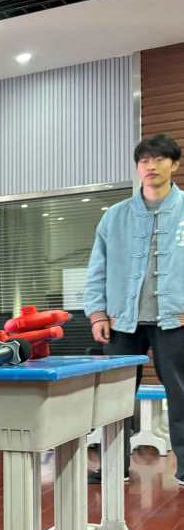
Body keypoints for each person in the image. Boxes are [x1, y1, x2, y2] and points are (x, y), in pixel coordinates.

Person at [85, 133, 184, 487]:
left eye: (159, 159)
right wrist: (97, 313)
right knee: (115, 398)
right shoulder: (115, 217)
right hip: (121, 322)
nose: (151, 166)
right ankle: (114, 467)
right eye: (144, 160)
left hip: (177, 320)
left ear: (174, 164)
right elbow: (97, 268)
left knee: (182, 394)